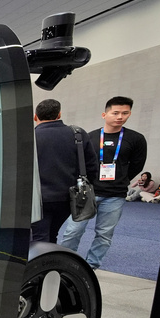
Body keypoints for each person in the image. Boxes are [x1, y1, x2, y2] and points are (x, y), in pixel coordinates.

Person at [58, 96, 147, 269]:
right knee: (73, 231)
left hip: (115, 194)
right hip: (87, 192)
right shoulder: (89, 137)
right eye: (115, 113)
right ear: (104, 114)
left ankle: (91, 266)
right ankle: (64, 264)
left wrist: (122, 179)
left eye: (125, 113)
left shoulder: (136, 139)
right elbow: (78, 162)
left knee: (104, 235)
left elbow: (137, 164)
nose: (120, 116)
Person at [30, 99, 95, 243]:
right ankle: (50, 262)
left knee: (38, 237)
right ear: (59, 114)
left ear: (35, 117)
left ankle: (40, 264)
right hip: (68, 198)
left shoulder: (30, 136)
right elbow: (91, 166)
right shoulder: (78, 134)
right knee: (52, 234)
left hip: (37, 198)